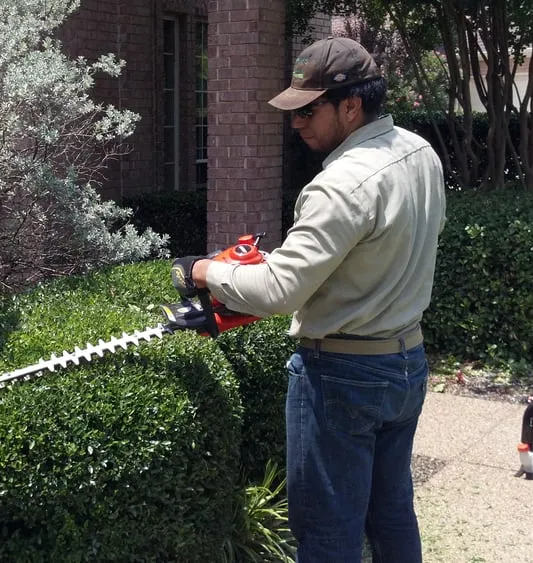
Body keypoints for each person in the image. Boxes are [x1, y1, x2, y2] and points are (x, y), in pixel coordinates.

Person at [171, 36, 446, 562]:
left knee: (327, 534)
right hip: (405, 363)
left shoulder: (340, 184)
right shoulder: (420, 153)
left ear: (350, 105)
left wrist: (205, 270)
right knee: (391, 515)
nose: (296, 124)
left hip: (341, 373)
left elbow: (280, 289)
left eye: (307, 111)